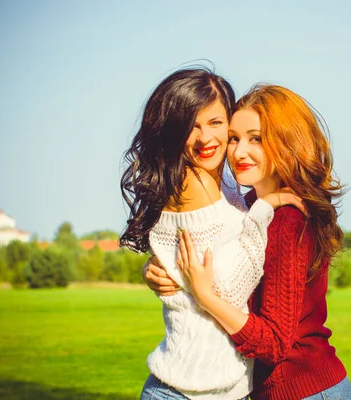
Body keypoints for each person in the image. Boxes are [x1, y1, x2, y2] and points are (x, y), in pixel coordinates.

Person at [148, 84, 351, 399]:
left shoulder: (289, 219)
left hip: (306, 390)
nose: (238, 151)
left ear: (286, 142)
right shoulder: (248, 206)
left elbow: (273, 343)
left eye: (255, 138)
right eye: (234, 138)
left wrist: (205, 295)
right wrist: (161, 269)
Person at [120, 68, 304, 400]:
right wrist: (265, 208)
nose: (206, 138)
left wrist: (156, 268)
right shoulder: (194, 182)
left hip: (216, 389)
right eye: (192, 126)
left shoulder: (223, 181)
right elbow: (228, 291)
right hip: (187, 391)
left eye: (216, 123)